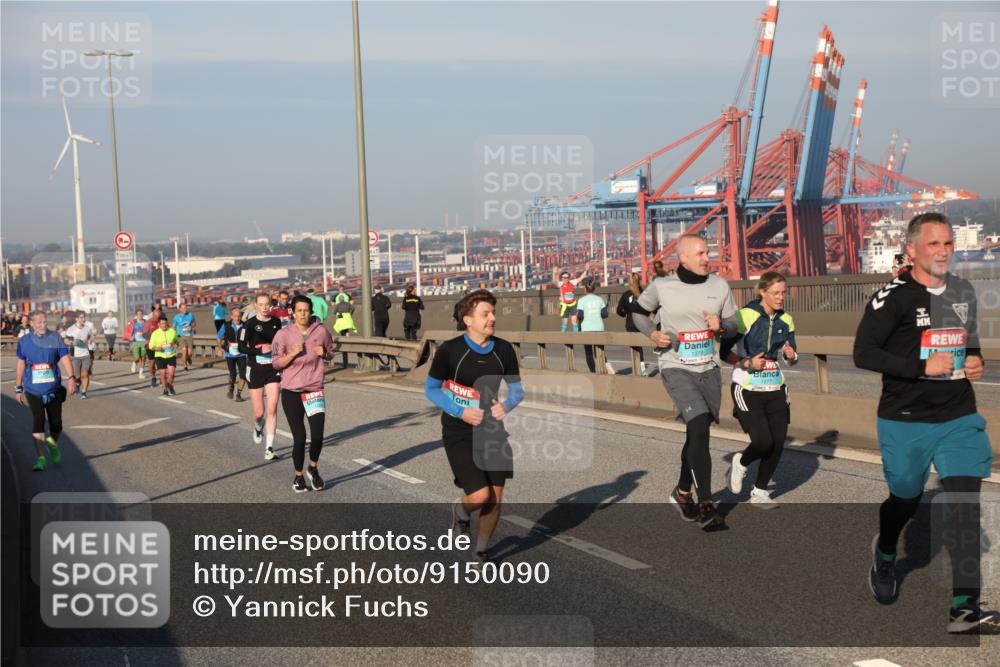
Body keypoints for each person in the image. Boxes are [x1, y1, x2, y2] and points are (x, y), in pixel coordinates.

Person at [853, 212, 995, 633]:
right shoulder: (891, 297)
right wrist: (920, 365)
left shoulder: (964, 289)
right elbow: (864, 353)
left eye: (948, 243)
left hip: (958, 414)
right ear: (912, 250)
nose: (943, 251)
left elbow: (969, 341)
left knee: (967, 505)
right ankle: (885, 552)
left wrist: (975, 359)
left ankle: (965, 610)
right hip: (906, 418)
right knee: (905, 499)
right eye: (933, 244)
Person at [633, 234, 737, 530]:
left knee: (696, 432)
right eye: (701, 253)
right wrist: (653, 334)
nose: (707, 258)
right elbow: (637, 314)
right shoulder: (662, 286)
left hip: (708, 368)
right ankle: (706, 504)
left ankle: (681, 491)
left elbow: (734, 323)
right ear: (684, 258)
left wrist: (722, 327)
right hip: (675, 366)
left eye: (708, 252)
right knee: (700, 423)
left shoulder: (719, 286)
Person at [424, 290, 524, 563]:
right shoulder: (450, 351)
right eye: (485, 314)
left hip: (492, 431)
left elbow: (517, 391)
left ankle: (481, 548)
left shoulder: (503, 350)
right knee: (480, 495)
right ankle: (461, 511)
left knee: (495, 496)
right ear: (468, 320)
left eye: (493, 312)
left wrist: (506, 405)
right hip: (459, 430)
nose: (492, 318)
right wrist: (460, 411)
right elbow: (431, 389)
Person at [721, 272, 798, 508]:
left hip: (776, 387)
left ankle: (760, 491)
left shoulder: (787, 320)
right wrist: (746, 363)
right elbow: (724, 352)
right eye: (775, 292)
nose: (780, 297)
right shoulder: (746, 316)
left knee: (777, 442)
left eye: (783, 292)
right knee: (763, 441)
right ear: (762, 292)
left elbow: (793, 358)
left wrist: (790, 356)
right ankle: (741, 463)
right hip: (747, 388)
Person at [271, 294, 335, 493]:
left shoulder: (321, 331)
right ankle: (298, 476)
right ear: (293, 312)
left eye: (306, 310)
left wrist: (323, 353)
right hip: (291, 392)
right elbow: (275, 362)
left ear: (311, 311)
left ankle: (313, 468)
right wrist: (291, 354)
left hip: (314, 389)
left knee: (317, 437)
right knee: (299, 438)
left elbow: (331, 352)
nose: (303, 314)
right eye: (299, 310)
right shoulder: (283, 335)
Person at [14, 310, 77, 471]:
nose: (43, 325)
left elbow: (64, 358)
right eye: (39, 322)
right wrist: (18, 387)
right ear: (32, 323)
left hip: (53, 388)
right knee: (39, 420)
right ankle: (41, 458)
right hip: (32, 389)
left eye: (45, 322)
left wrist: (71, 378)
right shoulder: (24, 341)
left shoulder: (55, 338)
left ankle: (52, 443)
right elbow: (21, 364)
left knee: (56, 425)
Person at [239, 292, 284, 461]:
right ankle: (258, 426)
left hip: (272, 369)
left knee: (272, 408)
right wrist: (259, 350)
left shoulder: (276, 322)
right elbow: (242, 347)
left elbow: (281, 343)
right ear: (256, 306)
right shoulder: (248, 325)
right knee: (260, 412)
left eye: (267, 304)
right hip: (255, 368)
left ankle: (269, 448)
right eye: (262, 304)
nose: (265, 308)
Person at [575, 278, 612, 374]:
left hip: (586, 329)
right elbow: (605, 315)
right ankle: (609, 369)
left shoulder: (581, 300)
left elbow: (580, 316)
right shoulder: (600, 299)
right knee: (600, 351)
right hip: (599, 328)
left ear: (585, 289)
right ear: (594, 288)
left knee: (589, 352)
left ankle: (593, 372)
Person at [617, 272, 648, 375]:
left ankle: (637, 370)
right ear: (638, 281)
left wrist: (625, 314)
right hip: (642, 323)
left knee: (634, 348)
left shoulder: (625, 295)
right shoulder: (644, 293)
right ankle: (643, 369)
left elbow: (618, 310)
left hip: (630, 323)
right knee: (640, 347)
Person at [216, 306, 247, 401]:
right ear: (232, 316)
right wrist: (220, 348)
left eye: (239, 316)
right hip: (230, 354)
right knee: (233, 374)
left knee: (243, 375)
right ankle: (231, 387)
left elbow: (250, 338)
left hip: (241, 353)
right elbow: (219, 337)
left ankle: (238, 394)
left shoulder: (245, 326)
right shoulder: (226, 325)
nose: (237, 318)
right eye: (235, 316)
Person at [64, 311, 94, 399]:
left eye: (84, 317)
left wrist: (89, 340)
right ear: (76, 318)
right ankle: (77, 383)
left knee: (85, 374)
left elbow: (92, 336)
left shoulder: (87, 328)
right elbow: (65, 340)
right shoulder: (71, 329)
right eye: (81, 317)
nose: (83, 319)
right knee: (77, 376)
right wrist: (70, 342)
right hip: (75, 356)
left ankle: (84, 392)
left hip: (86, 354)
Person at [148, 314, 178, 396]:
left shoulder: (172, 331)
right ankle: (165, 389)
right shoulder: (155, 333)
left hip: (171, 355)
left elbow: (176, 341)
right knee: (163, 374)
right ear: (159, 324)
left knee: (172, 374)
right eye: (162, 324)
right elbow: (151, 346)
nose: (164, 325)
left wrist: (174, 344)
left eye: (165, 323)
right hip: (160, 355)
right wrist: (158, 348)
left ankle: (170, 385)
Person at [333, 291, 357, 369]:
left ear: (339, 300)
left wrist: (339, 315)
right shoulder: (348, 304)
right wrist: (350, 314)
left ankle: (344, 340)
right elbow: (353, 308)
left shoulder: (337, 305)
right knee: (346, 329)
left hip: (341, 318)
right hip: (347, 318)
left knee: (341, 329)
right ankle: (347, 337)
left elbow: (334, 312)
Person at [172, 302, 196, 372]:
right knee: (184, 350)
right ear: (180, 309)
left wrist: (191, 327)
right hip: (180, 336)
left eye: (186, 307)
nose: (185, 309)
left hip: (189, 335)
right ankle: (185, 366)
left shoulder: (190, 315)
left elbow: (194, 323)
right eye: (183, 308)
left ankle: (188, 358)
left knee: (190, 353)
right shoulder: (176, 317)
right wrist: (174, 337)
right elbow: (173, 327)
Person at [124, 308, 147, 377]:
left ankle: (141, 373)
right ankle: (134, 362)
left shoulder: (146, 322)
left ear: (143, 315)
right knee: (137, 357)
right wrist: (129, 337)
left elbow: (149, 331)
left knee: (143, 358)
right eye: (138, 314)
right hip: (135, 342)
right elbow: (127, 331)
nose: (140, 315)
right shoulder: (132, 322)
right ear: (136, 315)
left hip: (144, 342)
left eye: (141, 314)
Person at [143, 304, 162, 386]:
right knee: (152, 363)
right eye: (156, 315)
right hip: (150, 345)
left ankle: (162, 378)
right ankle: (153, 377)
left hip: (160, 346)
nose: (157, 317)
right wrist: (153, 337)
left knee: (161, 363)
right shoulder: (148, 322)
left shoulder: (162, 322)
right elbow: (144, 334)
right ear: (153, 314)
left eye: (159, 315)